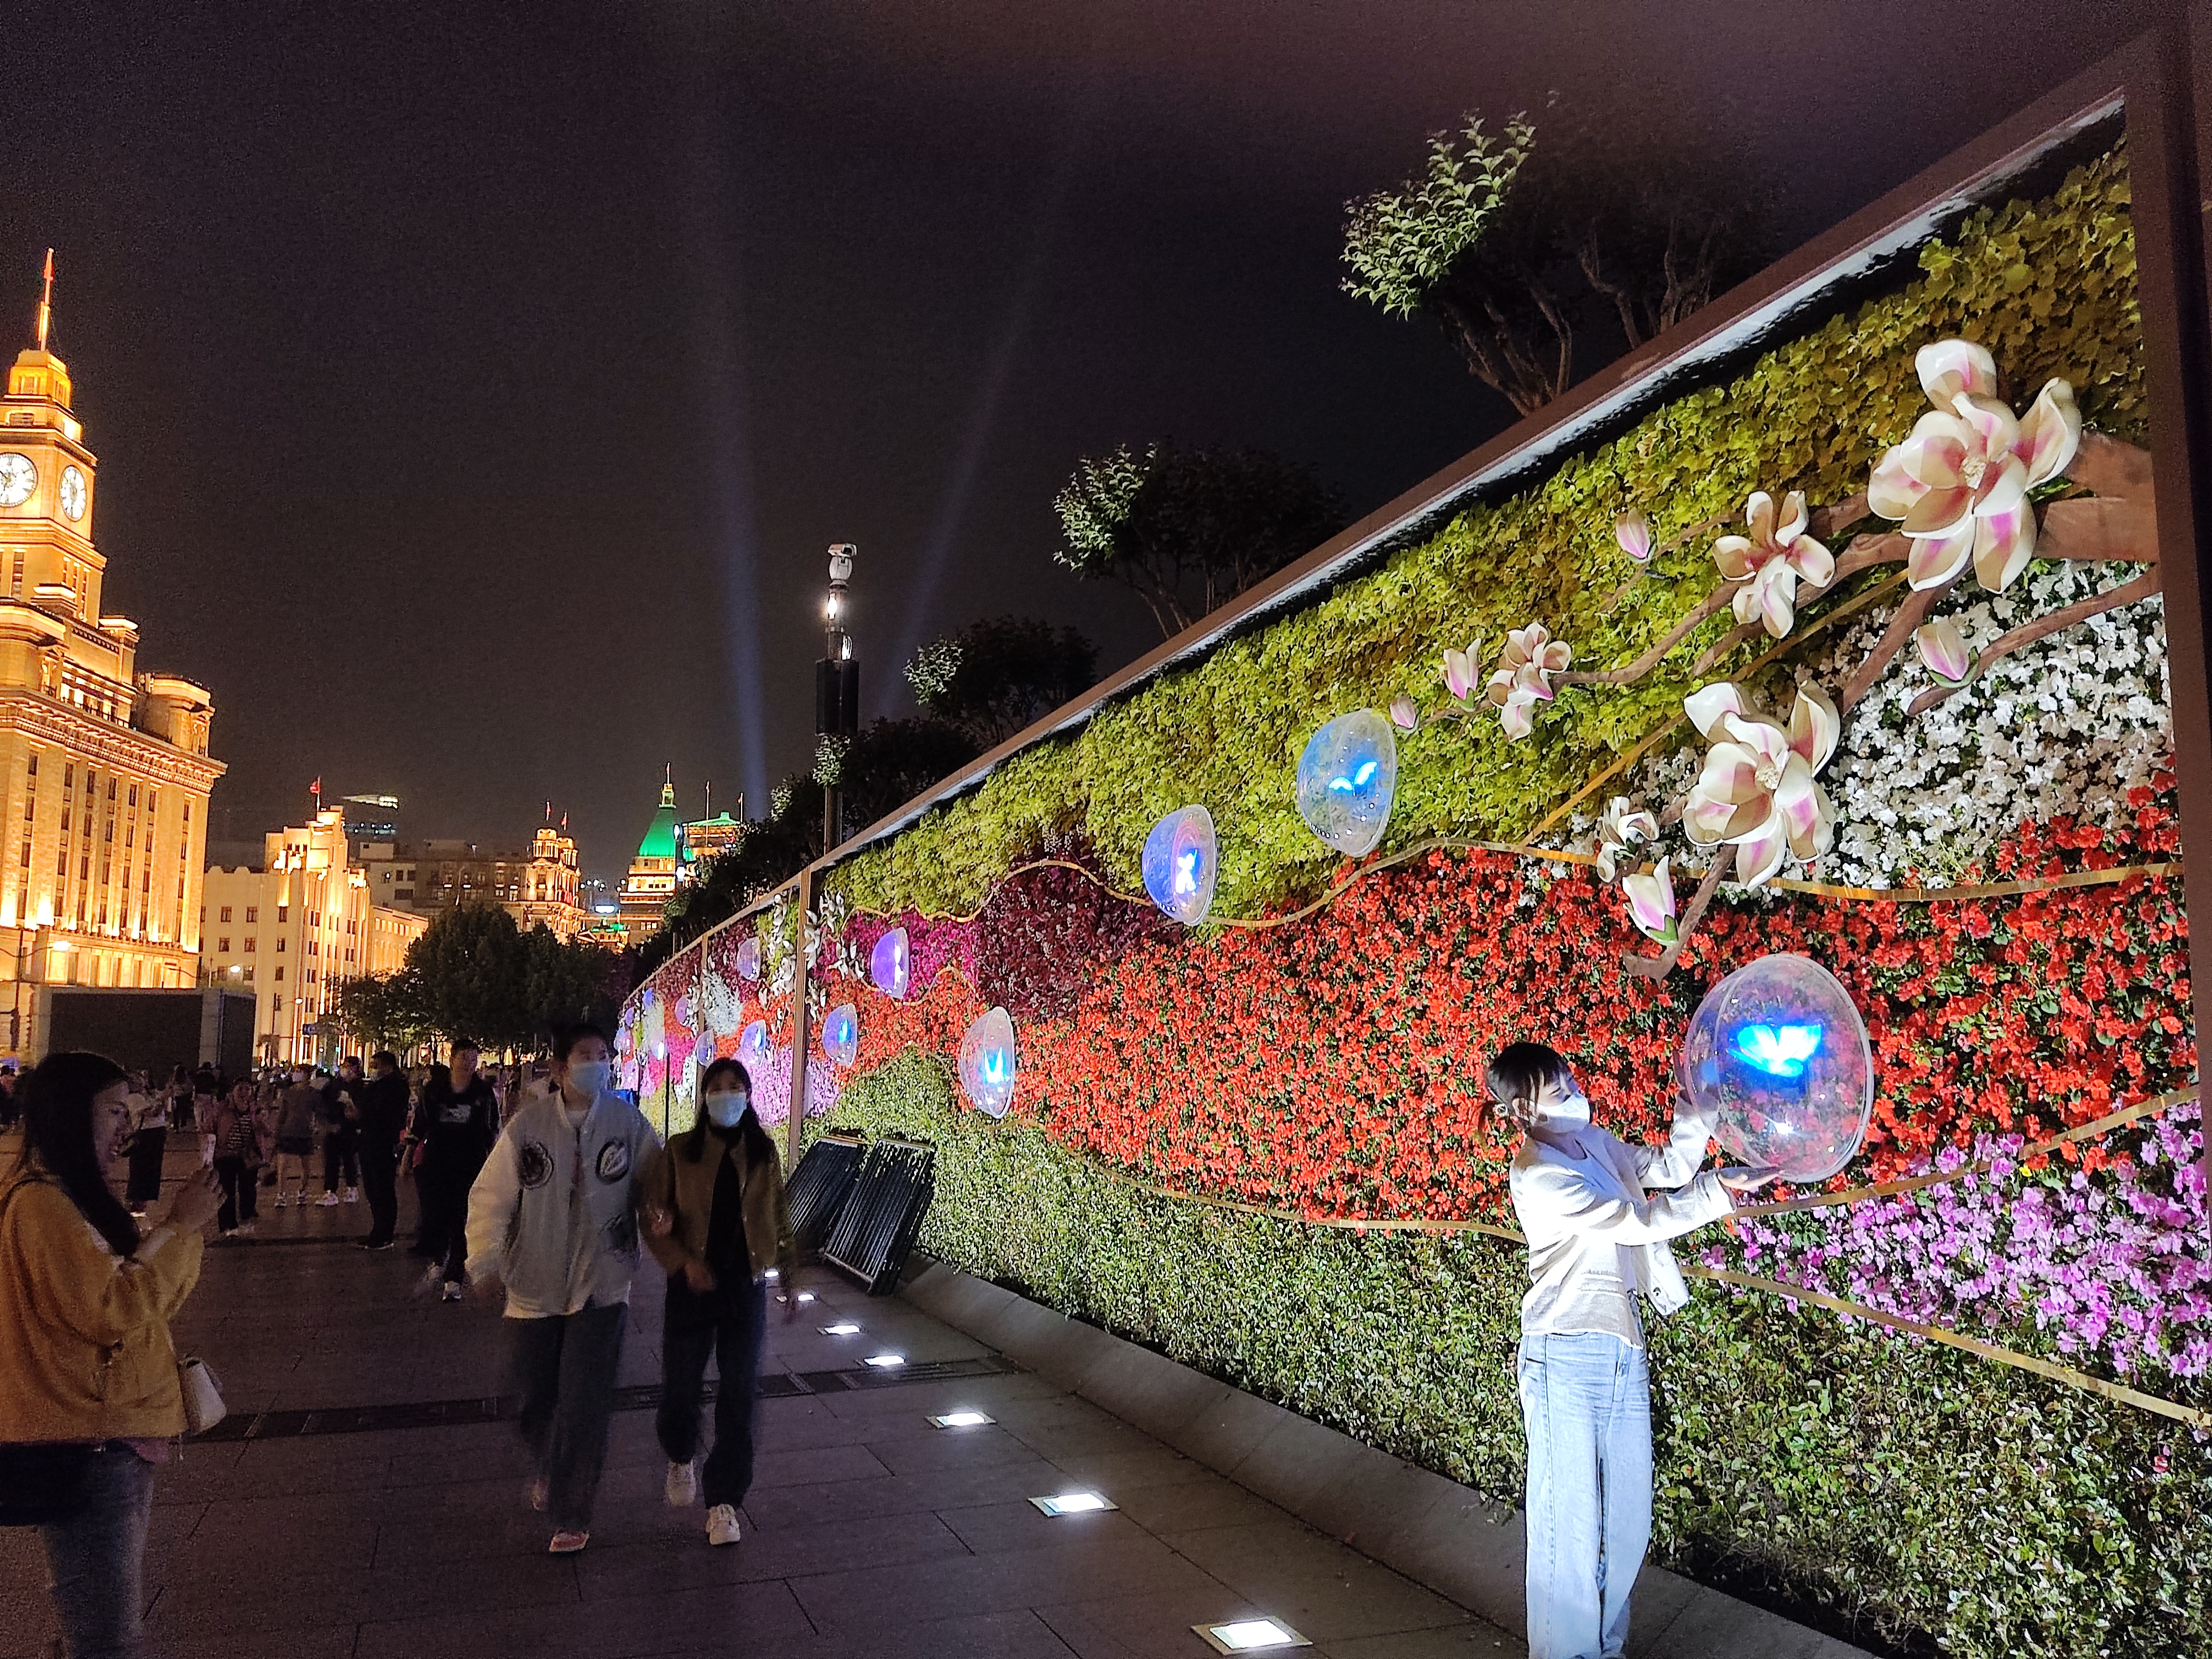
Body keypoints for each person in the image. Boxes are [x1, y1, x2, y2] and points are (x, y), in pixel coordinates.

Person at [1485, 1042, 1777, 1659]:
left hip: (1621, 1346)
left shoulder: (1594, 1145)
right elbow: (1632, 1221)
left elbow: (1668, 1167)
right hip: (1563, 1352)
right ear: (1523, 1110)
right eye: (1556, 1088)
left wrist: (1696, 1106)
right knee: (1569, 1524)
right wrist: (1717, 1192)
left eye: (1569, 1078)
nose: (1573, 1090)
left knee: (1626, 1522)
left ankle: (1605, 1647)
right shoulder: (1537, 1172)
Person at [0, 1051, 223, 1659]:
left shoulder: (67, 1197)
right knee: (108, 1639)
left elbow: (140, 1297)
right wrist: (181, 1228)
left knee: (98, 1627)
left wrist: (178, 1233)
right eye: (115, 1112)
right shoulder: (42, 1205)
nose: (127, 1127)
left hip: (106, 1433)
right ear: (72, 1114)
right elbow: (112, 1309)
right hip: (90, 1441)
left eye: (130, 1112)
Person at [465, 1022, 656, 1554]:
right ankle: (551, 1460)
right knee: (532, 1398)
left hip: (602, 1284)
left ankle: (573, 1511)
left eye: (603, 1055)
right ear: (559, 1067)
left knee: (584, 1402)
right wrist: (484, 1261)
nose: (597, 1064)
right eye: (585, 1055)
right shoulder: (528, 1127)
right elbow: (492, 1198)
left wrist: (662, 1217)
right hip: (534, 1284)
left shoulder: (627, 1123)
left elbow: (656, 1181)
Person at [638, 1058, 799, 1548]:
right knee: (681, 1390)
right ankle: (680, 1451)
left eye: (736, 1086)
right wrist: (681, 1260)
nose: (727, 1095)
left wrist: (789, 1274)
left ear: (748, 1095)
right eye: (718, 1086)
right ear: (704, 1096)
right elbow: (654, 1216)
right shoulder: (679, 1151)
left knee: (740, 1394)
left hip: (743, 1288)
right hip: (692, 1286)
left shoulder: (762, 1152)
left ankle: (724, 1501)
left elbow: (777, 1213)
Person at [412, 1040, 498, 1297]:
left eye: (473, 1059)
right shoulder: (435, 1089)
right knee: (434, 1213)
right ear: (452, 1059)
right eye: (464, 1058)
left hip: (469, 1162)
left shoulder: (483, 1092)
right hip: (436, 1160)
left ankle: (454, 1277)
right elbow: (421, 1123)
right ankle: (439, 1258)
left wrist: (492, 1162)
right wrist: (409, 1156)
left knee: (462, 1217)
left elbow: (490, 1128)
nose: (469, 1064)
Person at [353, 1051, 412, 1250]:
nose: (373, 1069)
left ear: (387, 1066)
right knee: (372, 1188)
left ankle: (385, 1234)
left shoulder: (396, 1086)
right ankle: (377, 1231)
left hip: (383, 1142)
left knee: (383, 1188)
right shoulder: (376, 1085)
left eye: (376, 1065)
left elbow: (384, 1112)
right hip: (369, 1140)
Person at [208, 1081, 262, 1238]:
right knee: (226, 1191)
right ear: (233, 1091)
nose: (244, 1092)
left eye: (248, 1089)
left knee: (248, 1190)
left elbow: (263, 1131)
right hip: (225, 1155)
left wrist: (262, 1122)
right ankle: (228, 1225)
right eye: (240, 1088)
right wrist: (209, 1154)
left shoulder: (255, 1109)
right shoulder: (221, 1109)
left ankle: (246, 1220)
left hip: (247, 1156)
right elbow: (209, 1128)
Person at [270, 1066, 321, 1209]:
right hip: (288, 1132)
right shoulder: (289, 1093)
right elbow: (283, 1113)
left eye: (300, 1072)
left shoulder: (313, 1094)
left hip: (304, 1133)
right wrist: (278, 1131)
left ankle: (302, 1191)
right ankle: (281, 1194)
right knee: (283, 1165)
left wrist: (316, 1129)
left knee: (306, 1166)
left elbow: (319, 1112)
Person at [317, 1058, 364, 1207]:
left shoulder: (359, 1086)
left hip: (349, 1128)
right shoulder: (335, 1084)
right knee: (332, 1160)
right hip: (334, 1127)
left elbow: (360, 1109)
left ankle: (352, 1188)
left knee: (349, 1159)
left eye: (349, 1066)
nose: (346, 1069)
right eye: (345, 1066)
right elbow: (324, 1101)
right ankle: (331, 1191)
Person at [122, 1072, 168, 1220]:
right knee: (142, 1170)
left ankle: (139, 1205)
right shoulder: (134, 1098)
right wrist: (163, 1098)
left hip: (153, 1135)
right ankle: (136, 1206)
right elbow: (153, 1113)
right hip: (147, 1136)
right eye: (137, 1081)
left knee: (147, 1170)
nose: (142, 1083)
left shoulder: (143, 1097)